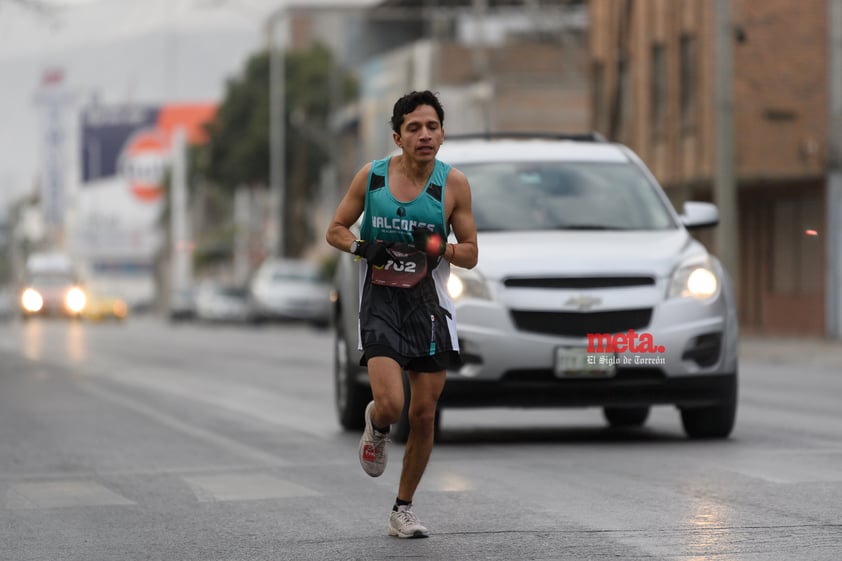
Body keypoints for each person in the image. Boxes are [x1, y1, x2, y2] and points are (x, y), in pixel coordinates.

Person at [325, 90, 478, 538]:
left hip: (429, 306)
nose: (424, 135)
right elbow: (334, 229)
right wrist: (361, 246)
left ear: (443, 134)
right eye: (414, 128)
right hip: (381, 302)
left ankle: (402, 508)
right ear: (398, 136)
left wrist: (437, 246)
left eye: (432, 127)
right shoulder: (371, 179)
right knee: (393, 404)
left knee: (424, 414)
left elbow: (469, 254)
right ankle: (376, 422)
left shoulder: (453, 185)